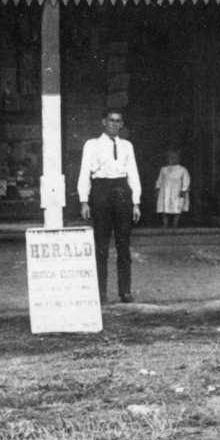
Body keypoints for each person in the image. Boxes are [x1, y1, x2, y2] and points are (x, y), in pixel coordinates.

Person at [78, 109, 141, 304]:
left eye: (118, 121)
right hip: (101, 190)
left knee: (124, 244)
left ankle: (125, 291)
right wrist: (84, 200)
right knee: (101, 245)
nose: (114, 124)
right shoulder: (92, 145)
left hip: (122, 191)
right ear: (103, 122)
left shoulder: (127, 146)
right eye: (111, 120)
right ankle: (100, 293)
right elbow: (84, 173)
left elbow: (133, 173)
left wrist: (136, 202)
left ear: (122, 124)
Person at [155, 146, 190, 229]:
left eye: (175, 157)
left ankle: (175, 225)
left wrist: (184, 190)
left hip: (177, 191)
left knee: (177, 208)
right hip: (165, 191)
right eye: (170, 157)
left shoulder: (182, 169)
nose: (172, 159)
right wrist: (157, 188)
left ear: (178, 158)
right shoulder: (164, 169)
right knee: (165, 207)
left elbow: (186, 180)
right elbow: (159, 180)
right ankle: (165, 224)